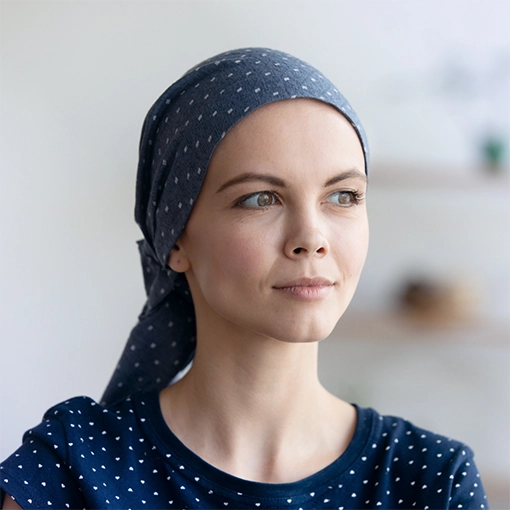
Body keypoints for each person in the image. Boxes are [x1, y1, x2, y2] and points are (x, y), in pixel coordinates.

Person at [0, 48, 489, 509]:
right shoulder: (75, 469)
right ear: (175, 239)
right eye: (260, 199)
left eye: (343, 196)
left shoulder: (431, 480)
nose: (311, 238)